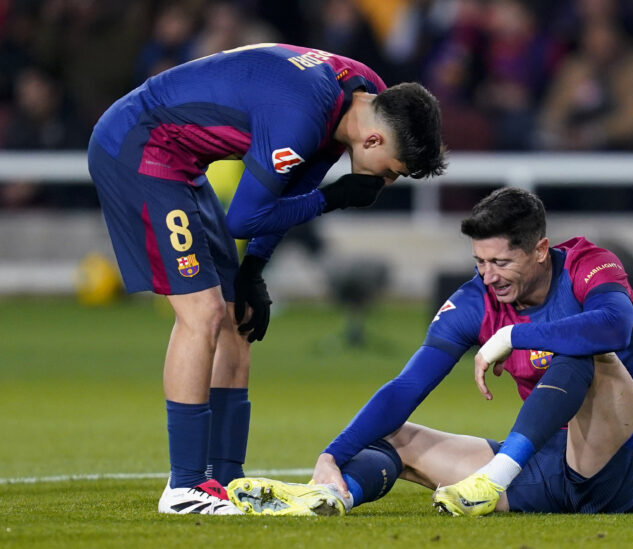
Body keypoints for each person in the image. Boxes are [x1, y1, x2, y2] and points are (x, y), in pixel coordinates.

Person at [87, 42, 446, 515]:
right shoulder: (301, 114)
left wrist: (254, 267)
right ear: (375, 141)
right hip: (139, 148)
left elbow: (297, 181)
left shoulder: (365, 93)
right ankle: (185, 489)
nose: (386, 184)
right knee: (203, 313)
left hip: (182, 161)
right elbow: (245, 217)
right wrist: (334, 199)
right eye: (392, 173)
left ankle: (225, 480)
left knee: (236, 317)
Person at [227, 187, 633, 516]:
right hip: (549, 467)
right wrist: (333, 453)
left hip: (630, 466)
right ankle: (329, 497)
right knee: (391, 437)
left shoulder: (587, 265)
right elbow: (407, 386)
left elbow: (613, 327)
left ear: (541, 250)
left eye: (501, 262)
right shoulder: (475, 301)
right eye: (479, 262)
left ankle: (493, 478)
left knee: (585, 351)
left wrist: (512, 338)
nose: (489, 276)